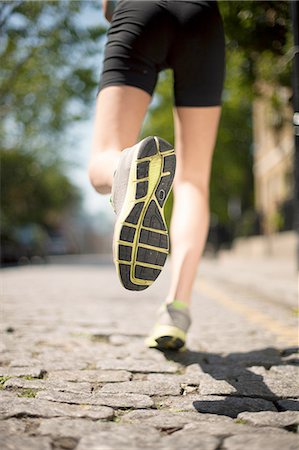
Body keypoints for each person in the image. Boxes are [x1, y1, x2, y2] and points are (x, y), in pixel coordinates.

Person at [88, 0, 225, 350]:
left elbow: (107, 6)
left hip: (140, 9)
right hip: (202, 17)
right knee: (193, 180)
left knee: (103, 159)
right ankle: (176, 311)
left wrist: (113, 12)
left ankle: (124, 168)